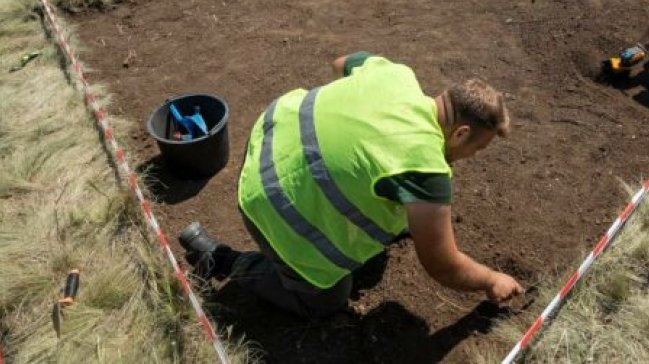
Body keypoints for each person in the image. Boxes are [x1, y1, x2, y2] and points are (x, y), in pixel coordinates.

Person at [179, 52, 523, 319]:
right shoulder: (426, 168)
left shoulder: (395, 74)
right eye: (478, 148)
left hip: (262, 152)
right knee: (327, 297)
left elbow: (341, 63)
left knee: (385, 194)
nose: (474, 156)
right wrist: (492, 280)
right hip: (269, 206)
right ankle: (224, 262)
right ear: (461, 133)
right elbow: (442, 265)